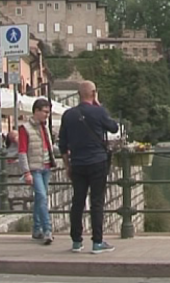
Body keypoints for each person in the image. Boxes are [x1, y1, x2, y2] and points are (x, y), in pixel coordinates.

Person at [59, 81, 119, 254]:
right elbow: (114, 128)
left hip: (77, 163)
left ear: (78, 94)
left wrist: (67, 165)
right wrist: (99, 105)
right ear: (94, 93)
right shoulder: (98, 111)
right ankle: (97, 242)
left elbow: (63, 144)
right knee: (97, 202)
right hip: (97, 162)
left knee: (77, 202)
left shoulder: (68, 115)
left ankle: (77, 242)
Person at [18, 99, 55, 245]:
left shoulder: (44, 127)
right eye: (45, 112)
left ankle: (36, 229)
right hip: (35, 168)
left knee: (40, 199)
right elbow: (22, 151)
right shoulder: (25, 128)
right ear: (37, 111)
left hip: (46, 166)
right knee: (42, 196)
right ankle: (47, 230)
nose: (47, 115)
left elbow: (48, 146)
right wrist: (26, 172)